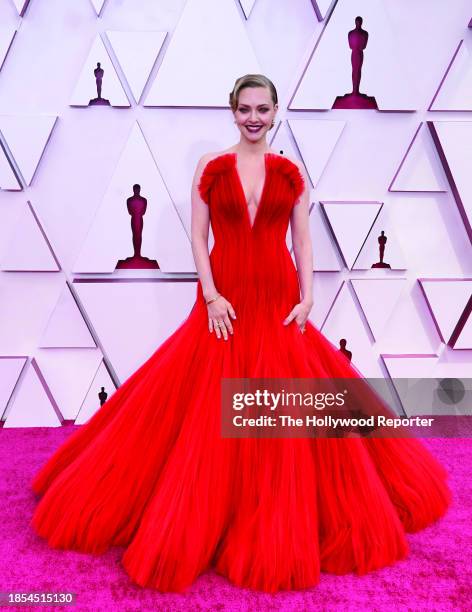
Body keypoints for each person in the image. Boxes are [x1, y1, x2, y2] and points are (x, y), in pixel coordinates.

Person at [30, 74, 451, 593]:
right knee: (207, 411)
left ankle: (273, 514)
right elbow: (199, 237)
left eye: (263, 109)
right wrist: (210, 295)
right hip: (224, 303)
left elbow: (302, 241)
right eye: (246, 108)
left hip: (277, 303)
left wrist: (308, 295)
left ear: (275, 112)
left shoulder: (291, 173)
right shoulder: (211, 169)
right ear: (233, 111)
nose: (254, 117)